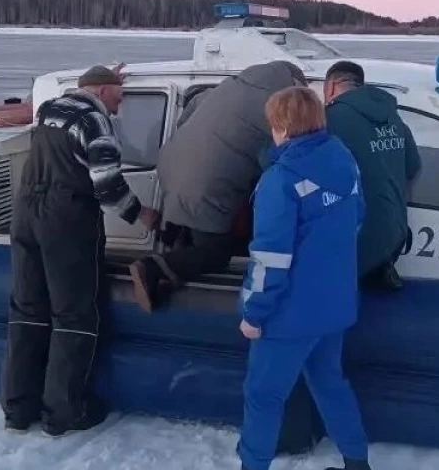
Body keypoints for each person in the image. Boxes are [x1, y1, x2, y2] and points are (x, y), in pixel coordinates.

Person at [214, 87, 378, 470]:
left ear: (283, 126)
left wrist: (255, 313)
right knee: (330, 384)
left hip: (288, 314)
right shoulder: (343, 160)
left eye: (274, 122)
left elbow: (270, 258)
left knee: (263, 395)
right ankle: (358, 469)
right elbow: (356, 219)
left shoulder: (281, 179)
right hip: (334, 305)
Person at [1, 64, 160, 436]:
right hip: (66, 220)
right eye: (118, 97)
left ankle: (17, 410)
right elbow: (107, 187)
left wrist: (108, 72)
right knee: (73, 315)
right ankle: (63, 413)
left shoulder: (50, 110)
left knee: (27, 310)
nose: (119, 108)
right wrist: (143, 216)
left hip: (25, 213)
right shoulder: (95, 121)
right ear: (102, 92)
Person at [127, 60, 306, 313]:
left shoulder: (230, 86)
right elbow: (286, 154)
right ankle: (152, 268)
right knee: (218, 251)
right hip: (207, 184)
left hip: (171, 165)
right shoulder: (277, 104)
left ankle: (174, 244)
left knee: (192, 228)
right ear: (292, 83)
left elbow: (188, 115)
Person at [323, 60, 421, 291]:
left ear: (331, 86)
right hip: (394, 236)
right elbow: (413, 168)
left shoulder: (331, 118)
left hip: (356, 243)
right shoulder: (393, 118)